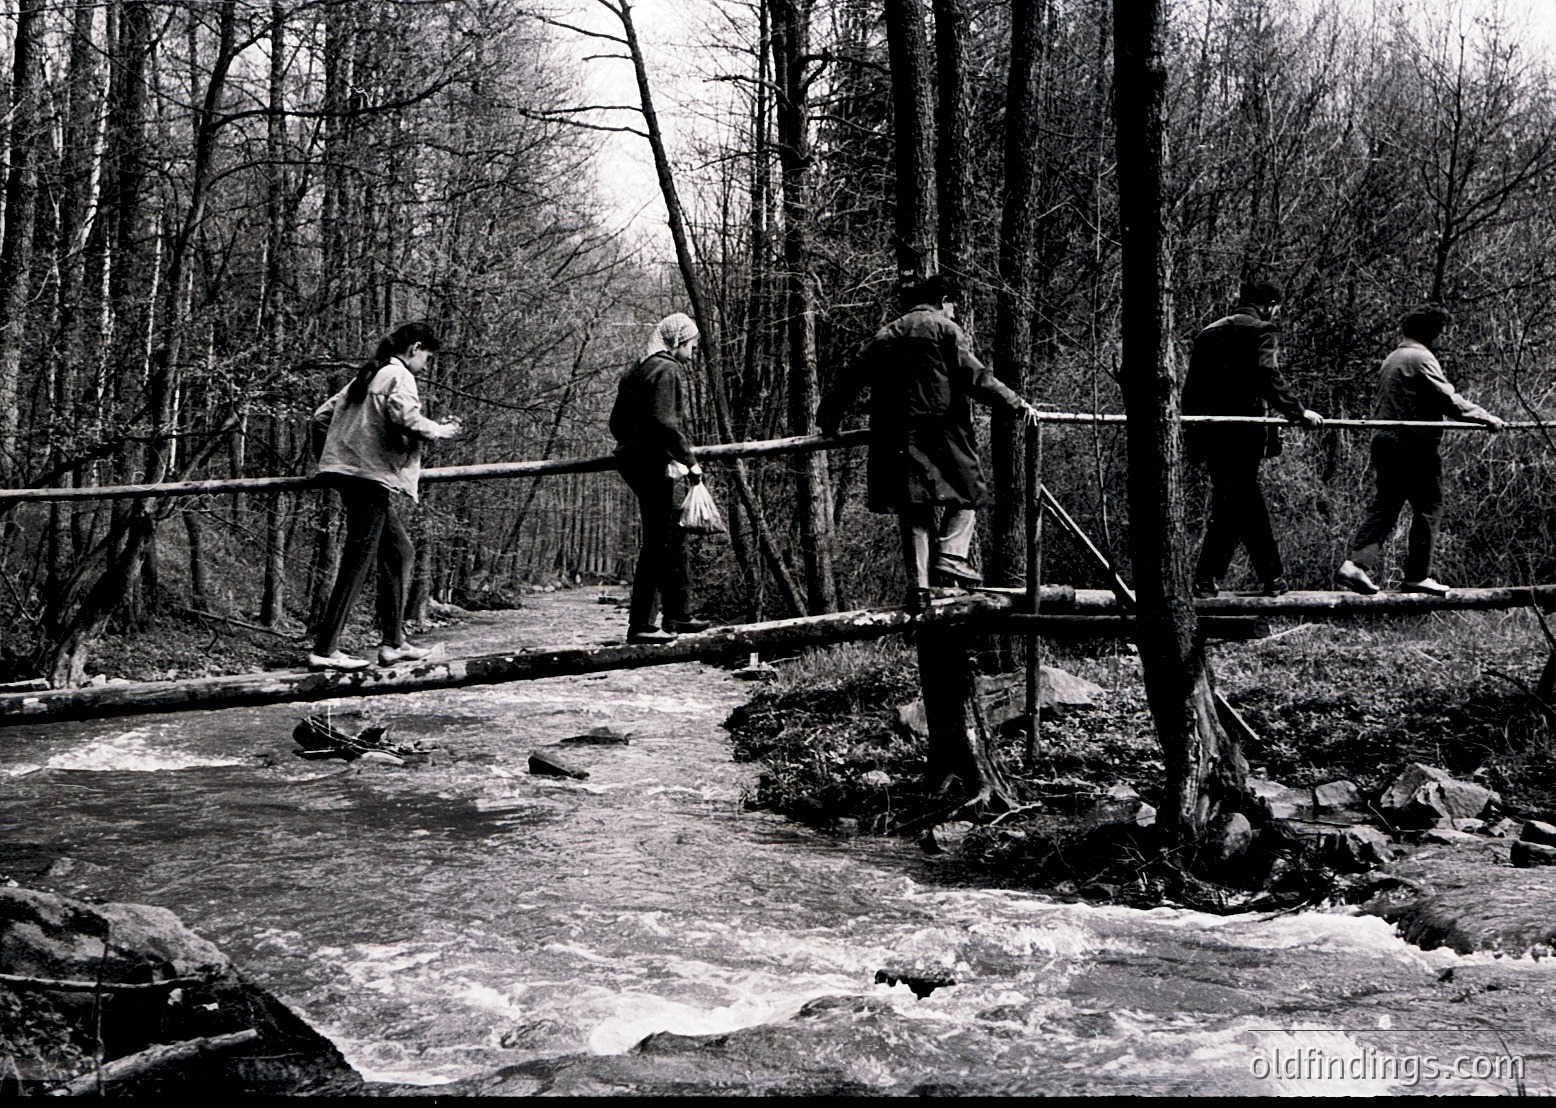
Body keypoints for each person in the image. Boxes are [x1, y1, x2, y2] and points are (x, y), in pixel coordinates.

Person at [816, 274, 1042, 614]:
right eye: (953, 305)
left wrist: (828, 417)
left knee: (913, 508)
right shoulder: (944, 329)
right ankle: (950, 556)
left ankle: (918, 589)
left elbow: (850, 376)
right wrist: (1015, 403)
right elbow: (975, 377)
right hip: (939, 430)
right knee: (969, 491)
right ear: (944, 300)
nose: (954, 312)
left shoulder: (886, 334)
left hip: (894, 435)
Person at [309, 322, 461, 670]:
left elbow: (320, 418)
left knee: (399, 551)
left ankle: (393, 643)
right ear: (415, 348)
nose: (426, 364)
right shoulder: (398, 375)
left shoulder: (366, 375)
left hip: (355, 474)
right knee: (358, 560)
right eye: (427, 357)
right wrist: (441, 430)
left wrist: (333, 461)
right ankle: (324, 649)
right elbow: (406, 417)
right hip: (368, 477)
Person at [1336, 305, 1504, 597]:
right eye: (1441, 333)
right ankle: (1417, 575)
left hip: (1386, 439)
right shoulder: (1420, 357)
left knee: (1387, 505)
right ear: (1432, 332)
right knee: (1429, 507)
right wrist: (1484, 416)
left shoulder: (1394, 356)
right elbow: (1447, 400)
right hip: (1412, 442)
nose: (1442, 339)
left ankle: (1356, 564)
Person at [1183, 280, 1323, 598]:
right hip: (1244, 433)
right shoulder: (1263, 329)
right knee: (1245, 501)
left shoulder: (1208, 332)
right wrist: (1299, 412)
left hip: (1211, 432)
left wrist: (1192, 437)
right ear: (1270, 305)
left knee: (1232, 503)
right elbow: (1267, 377)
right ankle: (1268, 576)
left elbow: (1191, 389)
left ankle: (1212, 579)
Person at [610, 312, 711, 644]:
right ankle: (640, 624)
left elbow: (616, 425)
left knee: (669, 536)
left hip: (632, 460)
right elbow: (664, 424)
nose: (693, 353)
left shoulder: (634, 371)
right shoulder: (668, 369)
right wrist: (689, 460)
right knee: (657, 543)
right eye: (692, 346)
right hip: (651, 463)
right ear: (679, 341)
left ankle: (677, 615)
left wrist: (639, 444)